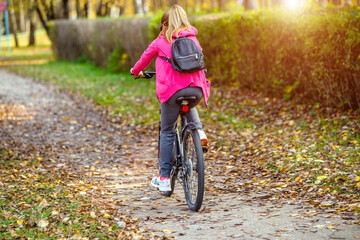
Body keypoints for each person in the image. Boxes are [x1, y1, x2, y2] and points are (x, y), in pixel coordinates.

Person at [130, 4, 210, 192]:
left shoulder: (160, 41)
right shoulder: (193, 39)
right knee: (189, 104)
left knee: (167, 130)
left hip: (172, 92)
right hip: (195, 89)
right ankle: (199, 132)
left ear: (164, 25)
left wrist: (136, 72)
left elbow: (143, 60)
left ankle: (164, 178)